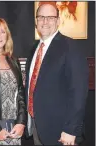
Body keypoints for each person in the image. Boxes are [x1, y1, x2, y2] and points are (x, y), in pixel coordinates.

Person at [25, 3, 88, 145]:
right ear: (36, 22)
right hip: (37, 127)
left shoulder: (71, 47)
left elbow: (78, 92)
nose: (45, 21)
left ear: (58, 21)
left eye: (50, 17)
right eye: (41, 17)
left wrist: (71, 130)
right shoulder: (34, 49)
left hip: (61, 132)